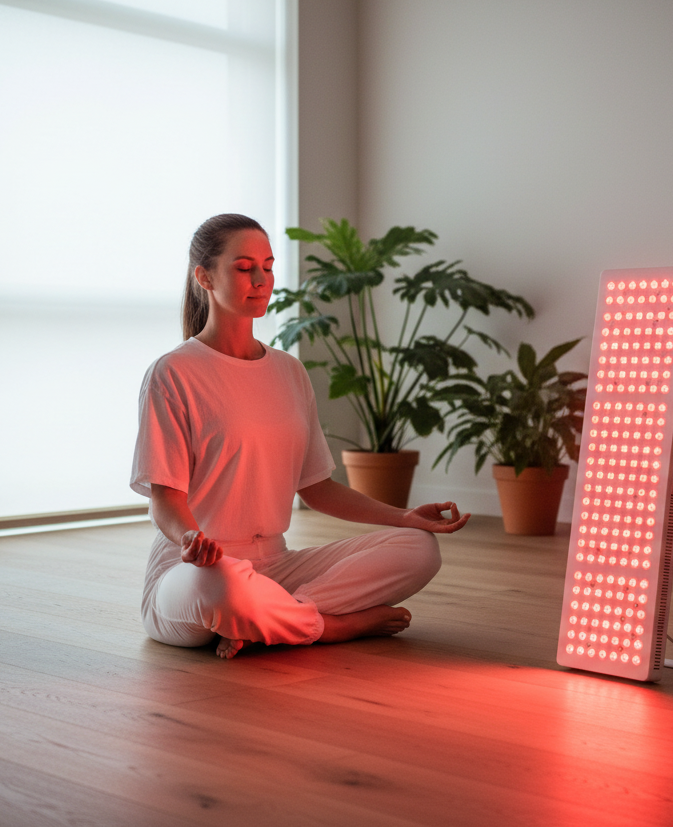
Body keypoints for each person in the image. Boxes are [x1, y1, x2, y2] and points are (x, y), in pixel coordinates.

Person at [131, 214, 470, 659]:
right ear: (204, 277)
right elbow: (165, 498)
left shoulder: (289, 371)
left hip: (276, 566)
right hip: (193, 572)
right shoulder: (173, 373)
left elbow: (318, 489)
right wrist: (191, 539)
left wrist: (404, 517)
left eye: (268, 266)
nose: (261, 279)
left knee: (419, 549)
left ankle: (273, 620)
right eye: (244, 266)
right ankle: (327, 626)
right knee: (223, 584)